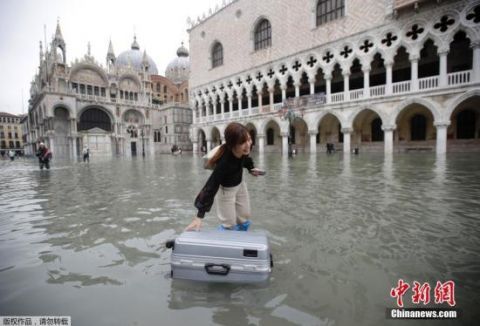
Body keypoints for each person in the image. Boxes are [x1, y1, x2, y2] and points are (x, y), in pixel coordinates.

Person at [186, 122, 264, 232]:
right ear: (233, 145)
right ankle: (225, 243)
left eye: (249, 139)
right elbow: (211, 186)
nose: (248, 144)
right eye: (243, 142)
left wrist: (251, 169)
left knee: (244, 217)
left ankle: (241, 240)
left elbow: (245, 159)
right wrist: (199, 216)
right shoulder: (224, 163)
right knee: (229, 224)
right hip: (226, 192)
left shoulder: (243, 151)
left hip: (240, 185)